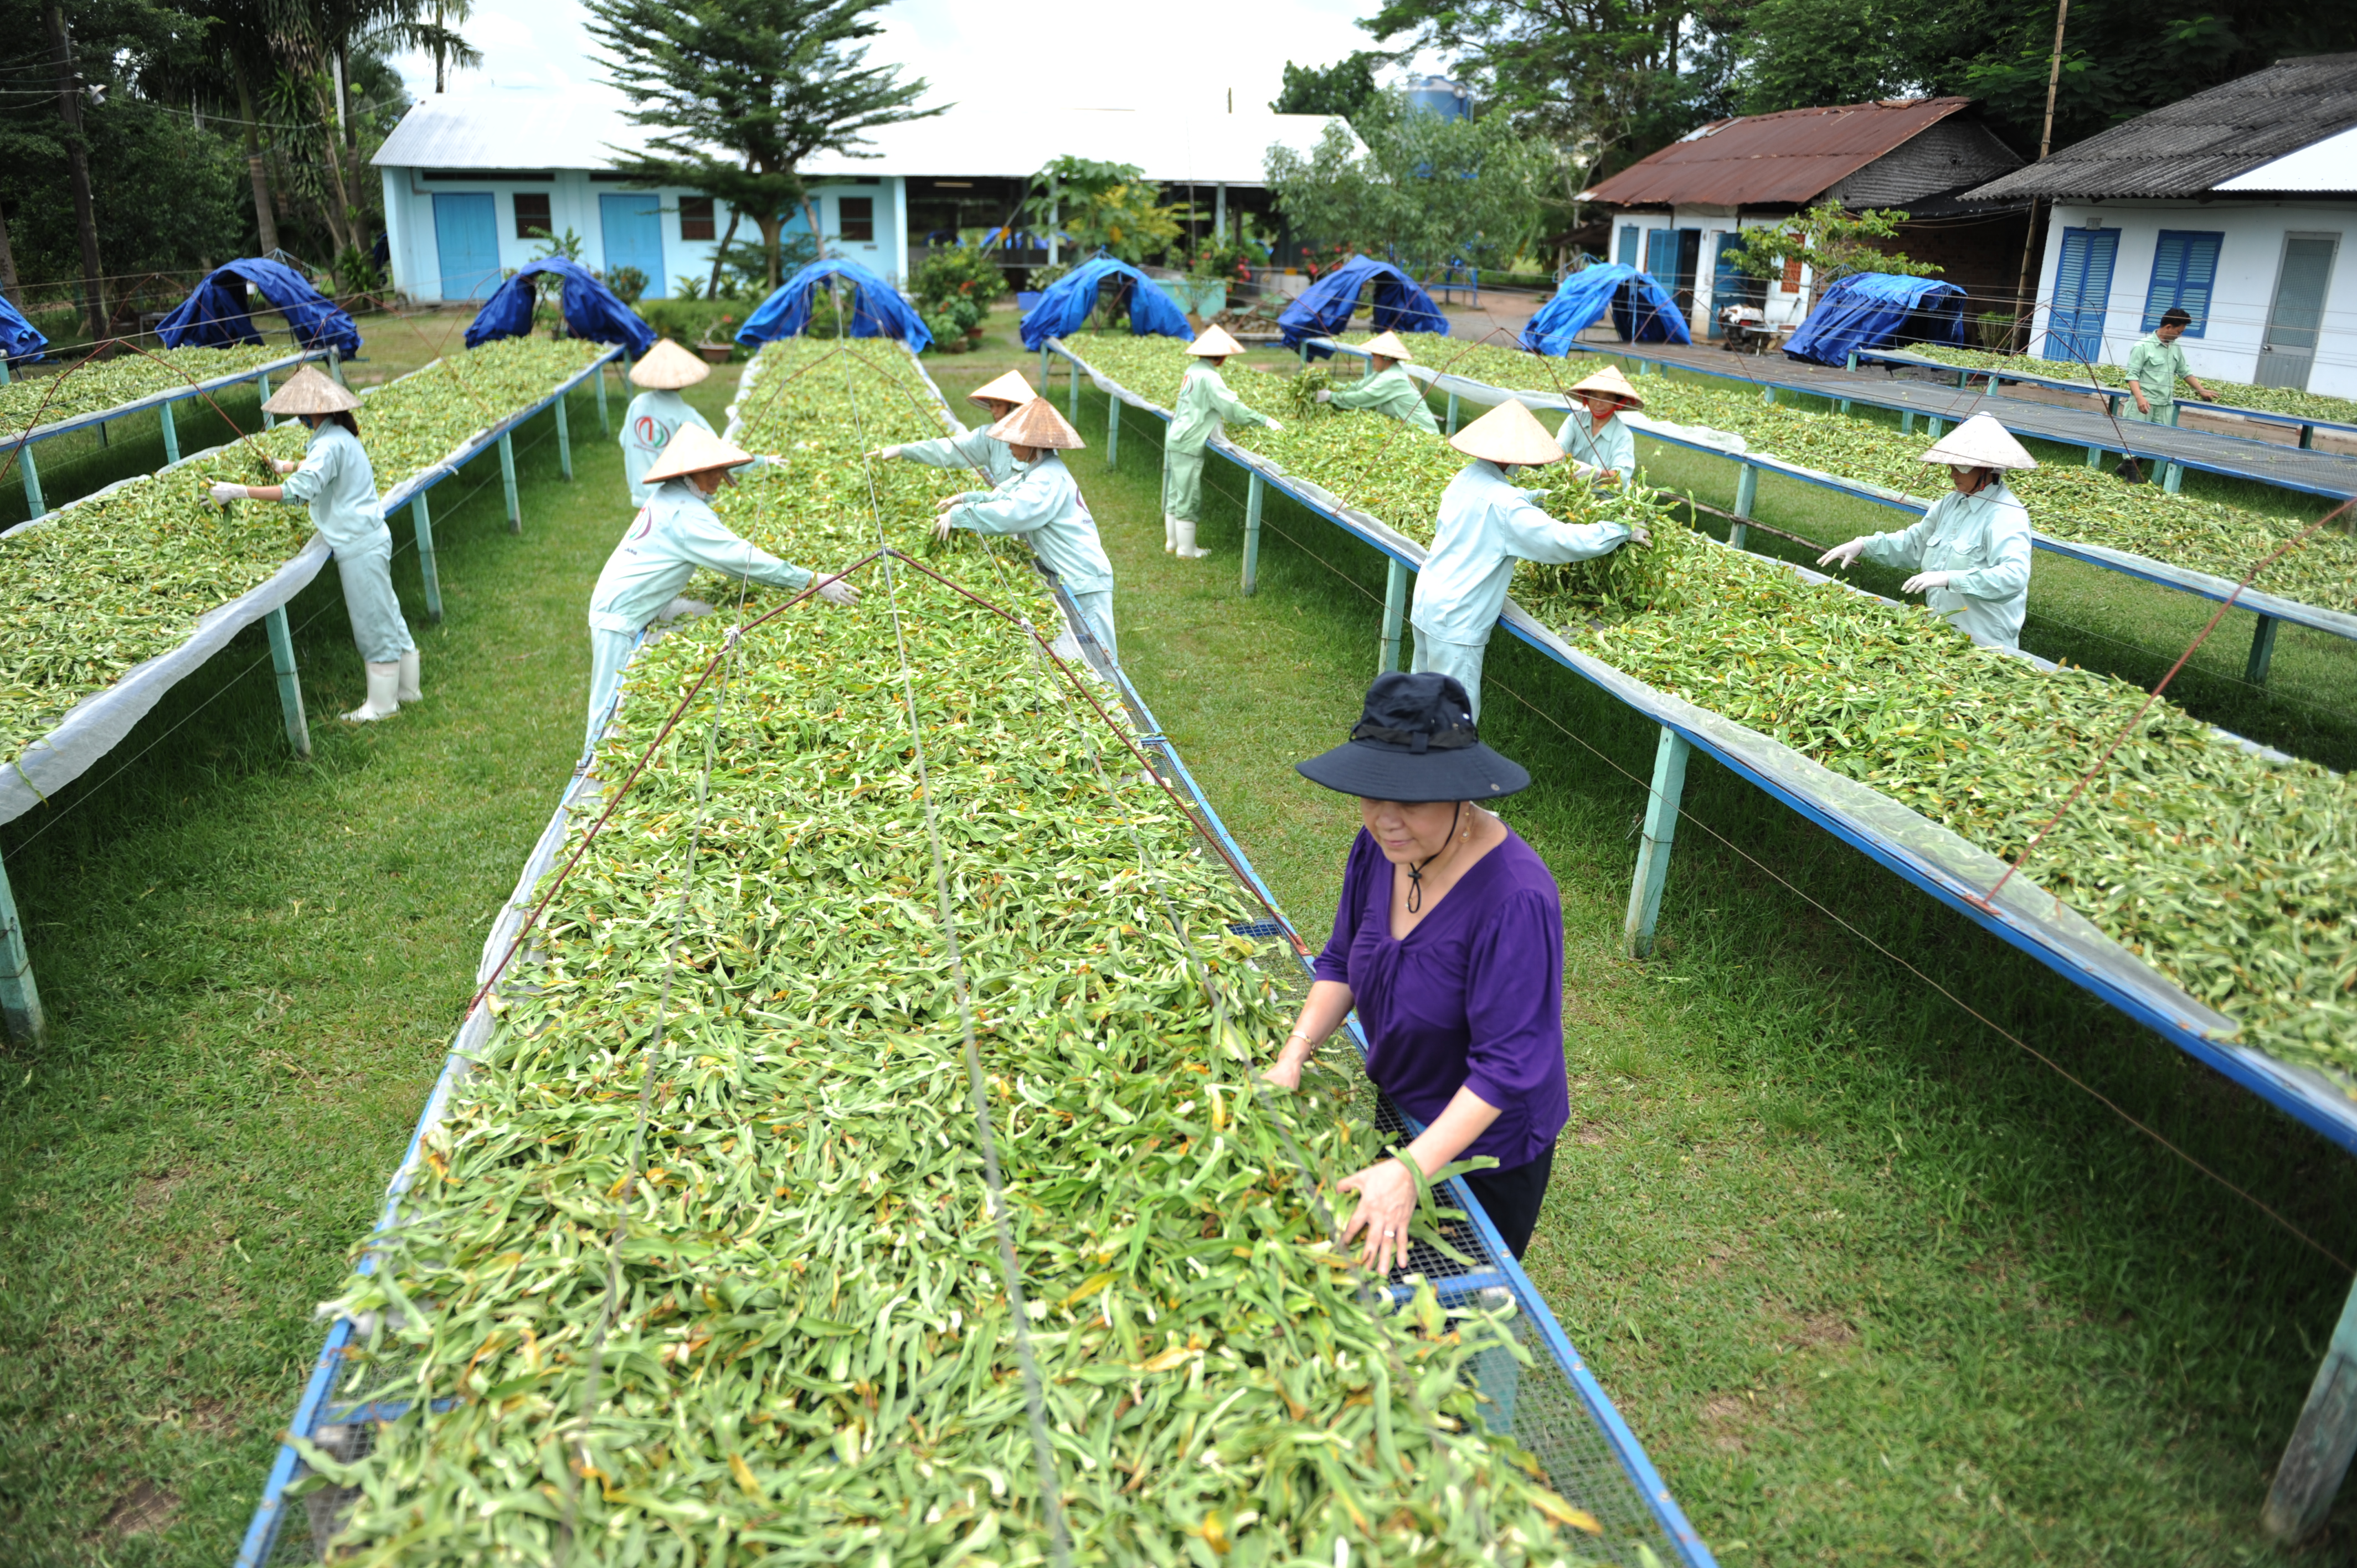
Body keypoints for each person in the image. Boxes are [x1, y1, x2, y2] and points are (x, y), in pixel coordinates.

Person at [1265, 670, 1569, 1267]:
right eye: (1372, 795)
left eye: (1409, 802)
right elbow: (1341, 962)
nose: (1385, 819)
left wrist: (1409, 1169)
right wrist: (1291, 1058)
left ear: (1458, 793)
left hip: (1486, 1145)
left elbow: (1506, 1068)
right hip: (1403, 1099)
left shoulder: (1514, 899)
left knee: (1453, 1316)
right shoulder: (1382, 849)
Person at [585, 425, 858, 756]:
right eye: (709, 470)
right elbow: (742, 560)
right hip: (619, 615)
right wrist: (811, 580)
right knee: (608, 711)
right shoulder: (685, 514)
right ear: (690, 471)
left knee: (618, 700)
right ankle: (592, 770)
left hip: (636, 602)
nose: (717, 476)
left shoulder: (673, 495)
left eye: (720, 468)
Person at [1408, 398, 1649, 719]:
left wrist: (1548, 497)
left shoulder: (1464, 478)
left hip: (1427, 603)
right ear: (1514, 459)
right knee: (1453, 722)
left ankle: (1407, 762)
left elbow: (1511, 499)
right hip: (1457, 618)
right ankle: (1443, 769)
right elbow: (1561, 541)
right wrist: (1619, 529)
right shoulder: (1509, 508)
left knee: (1420, 701)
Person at [208, 365, 416, 723]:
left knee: (372, 622)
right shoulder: (338, 435)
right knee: (388, 613)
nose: (300, 418)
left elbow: (298, 492)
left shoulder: (330, 443)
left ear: (314, 411)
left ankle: (383, 706)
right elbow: (319, 468)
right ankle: (409, 691)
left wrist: (239, 491)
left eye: (302, 413)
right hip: (371, 536)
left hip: (358, 544)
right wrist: (287, 465)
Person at [1815, 412, 2036, 649]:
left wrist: (1950, 578)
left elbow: (2013, 577)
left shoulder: (2007, 515)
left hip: (1985, 644)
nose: (1952, 474)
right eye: (1950, 466)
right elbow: (1915, 543)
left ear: (1987, 469)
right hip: (1940, 633)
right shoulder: (1951, 503)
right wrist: (1864, 545)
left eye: (1960, 468)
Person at [932, 397, 1119, 656]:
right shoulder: (1040, 470)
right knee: (1089, 650)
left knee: (1102, 657)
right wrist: (972, 498)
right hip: (1076, 572)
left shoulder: (1046, 479)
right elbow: (1009, 494)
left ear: (1033, 444)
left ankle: (1109, 698)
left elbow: (1013, 514)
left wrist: (964, 515)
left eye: (1013, 440)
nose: (1008, 446)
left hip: (1084, 575)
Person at [1164, 324, 1284, 560]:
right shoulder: (1210, 377)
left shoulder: (1194, 369)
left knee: (1176, 491)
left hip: (1176, 434)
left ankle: (1172, 543)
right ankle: (1186, 551)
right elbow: (1232, 409)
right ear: (1221, 358)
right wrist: (1264, 420)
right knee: (1189, 495)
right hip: (1189, 440)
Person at [866, 369, 1032, 488]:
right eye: (992, 406)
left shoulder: (1036, 440)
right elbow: (952, 449)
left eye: (999, 406)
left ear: (1015, 407)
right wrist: (903, 450)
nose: (993, 411)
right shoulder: (990, 437)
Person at [620, 339, 717, 507]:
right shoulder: (684, 414)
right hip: (672, 497)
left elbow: (624, 441)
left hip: (641, 492)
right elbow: (716, 451)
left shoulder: (638, 403)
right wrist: (758, 460)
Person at [1313, 330, 1440, 432]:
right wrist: (1330, 386)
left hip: (1422, 432)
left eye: (1374, 357)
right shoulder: (1383, 374)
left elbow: (1362, 397)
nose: (1372, 360)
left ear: (1385, 358)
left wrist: (1332, 396)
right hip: (1406, 429)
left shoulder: (1393, 379)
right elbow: (1356, 387)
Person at [2124, 306, 2216, 427]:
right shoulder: (2142, 347)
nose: (2180, 336)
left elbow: (2184, 371)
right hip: (2143, 404)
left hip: (2165, 406)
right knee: (2134, 439)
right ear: (2168, 327)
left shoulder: (2175, 347)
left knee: (2159, 442)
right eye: (2179, 332)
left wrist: (2201, 390)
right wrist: (2139, 398)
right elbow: (2132, 376)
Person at [1555, 364, 1643, 484]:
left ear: (1617, 403)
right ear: (1587, 398)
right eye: (1594, 397)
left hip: (1605, 497)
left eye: (1606, 399)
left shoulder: (1623, 436)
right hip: (1574, 487)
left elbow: (1620, 478)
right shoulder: (1575, 421)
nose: (1598, 404)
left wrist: (1595, 473)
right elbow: (1558, 450)